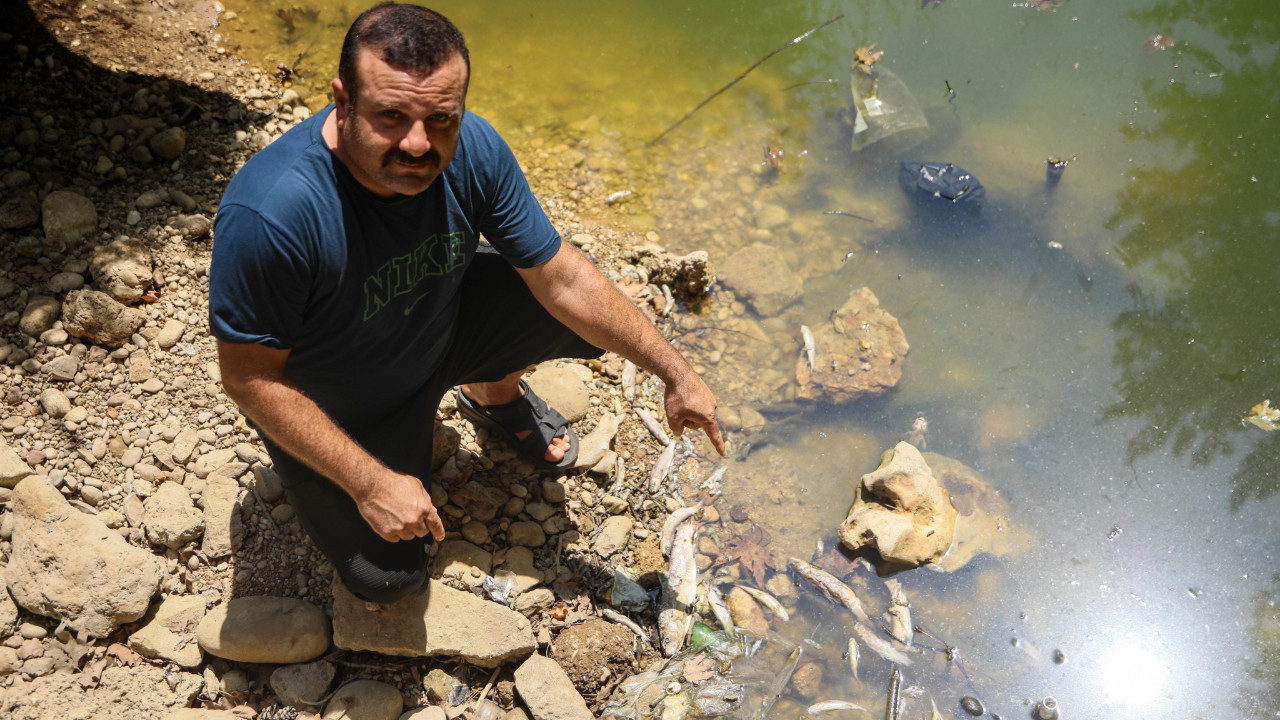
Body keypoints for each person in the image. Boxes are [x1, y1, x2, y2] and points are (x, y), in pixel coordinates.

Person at [209, 2, 724, 604]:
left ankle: (490, 392)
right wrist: (370, 481)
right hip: (347, 405)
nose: (418, 144)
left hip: (438, 331)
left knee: (586, 318)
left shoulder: (475, 148)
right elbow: (249, 381)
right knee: (389, 578)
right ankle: (374, 456)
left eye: (441, 119)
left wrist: (675, 372)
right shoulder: (272, 214)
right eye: (391, 116)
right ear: (342, 100)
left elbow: (561, 275)